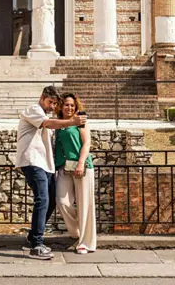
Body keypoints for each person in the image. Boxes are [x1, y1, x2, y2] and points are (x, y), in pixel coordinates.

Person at [15, 86, 87, 260]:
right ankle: (37, 245)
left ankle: (33, 236)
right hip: (33, 161)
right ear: (42, 98)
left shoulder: (46, 115)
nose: (53, 106)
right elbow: (47, 124)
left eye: (55, 104)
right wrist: (72, 122)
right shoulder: (33, 110)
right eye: (50, 102)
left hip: (46, 165)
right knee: (43, 199)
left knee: (52, 200)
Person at [55, 93, 96, 254]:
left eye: (72, 105)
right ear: (61, 106)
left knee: (85, 204)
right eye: (66, 104)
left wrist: (80, 163)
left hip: (82, 167)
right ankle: (76, 233)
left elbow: (87, 143)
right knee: (62, 201)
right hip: (64, 167)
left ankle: (86, 243)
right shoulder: (59, 123)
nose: (69, 107)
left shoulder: (81, 120)